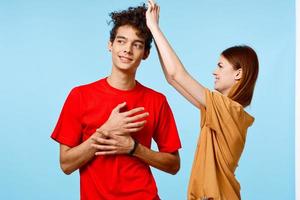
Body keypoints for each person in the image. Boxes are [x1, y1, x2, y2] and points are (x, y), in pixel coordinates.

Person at [51, 4, 181, 200]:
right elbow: (66, 164)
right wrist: (106, 131)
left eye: (137, 44)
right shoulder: (79, 96)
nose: (127, 50)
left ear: (145, 53)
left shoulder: (157, 101)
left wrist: (134, 148)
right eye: (121, 41)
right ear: (110, 45)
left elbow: (173, 165)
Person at [146, 1, 259, 200]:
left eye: (221, 66)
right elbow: (172, 79)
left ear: (238, 74)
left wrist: (154, 27)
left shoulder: (229, 110)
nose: (214, 72)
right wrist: (153, 35)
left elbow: (177, 74)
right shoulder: (218, 110)